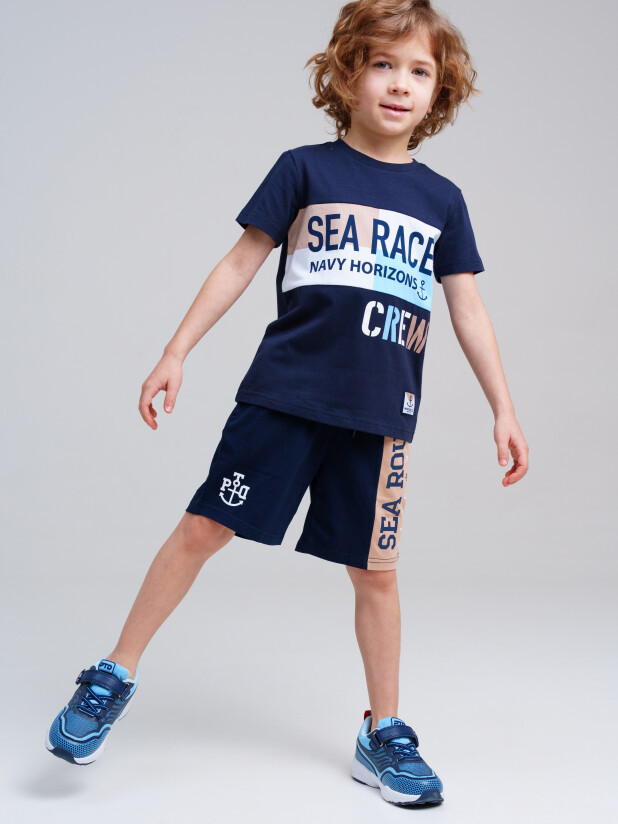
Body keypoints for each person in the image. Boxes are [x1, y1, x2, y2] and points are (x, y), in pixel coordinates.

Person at [46, 0, 529, 807]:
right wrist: (175, 351)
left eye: (419, 71)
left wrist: (502, 408)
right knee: (204, 527)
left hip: (379, 418)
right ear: (347, 74)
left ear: (438, 92)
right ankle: (111, 675)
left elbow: (468, 309)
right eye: (383, 64)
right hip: (284, 396)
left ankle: (384, 732)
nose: (400, 84)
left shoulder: (442, 200)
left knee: (376, 575)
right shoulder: (303, 169)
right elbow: (239, 263)